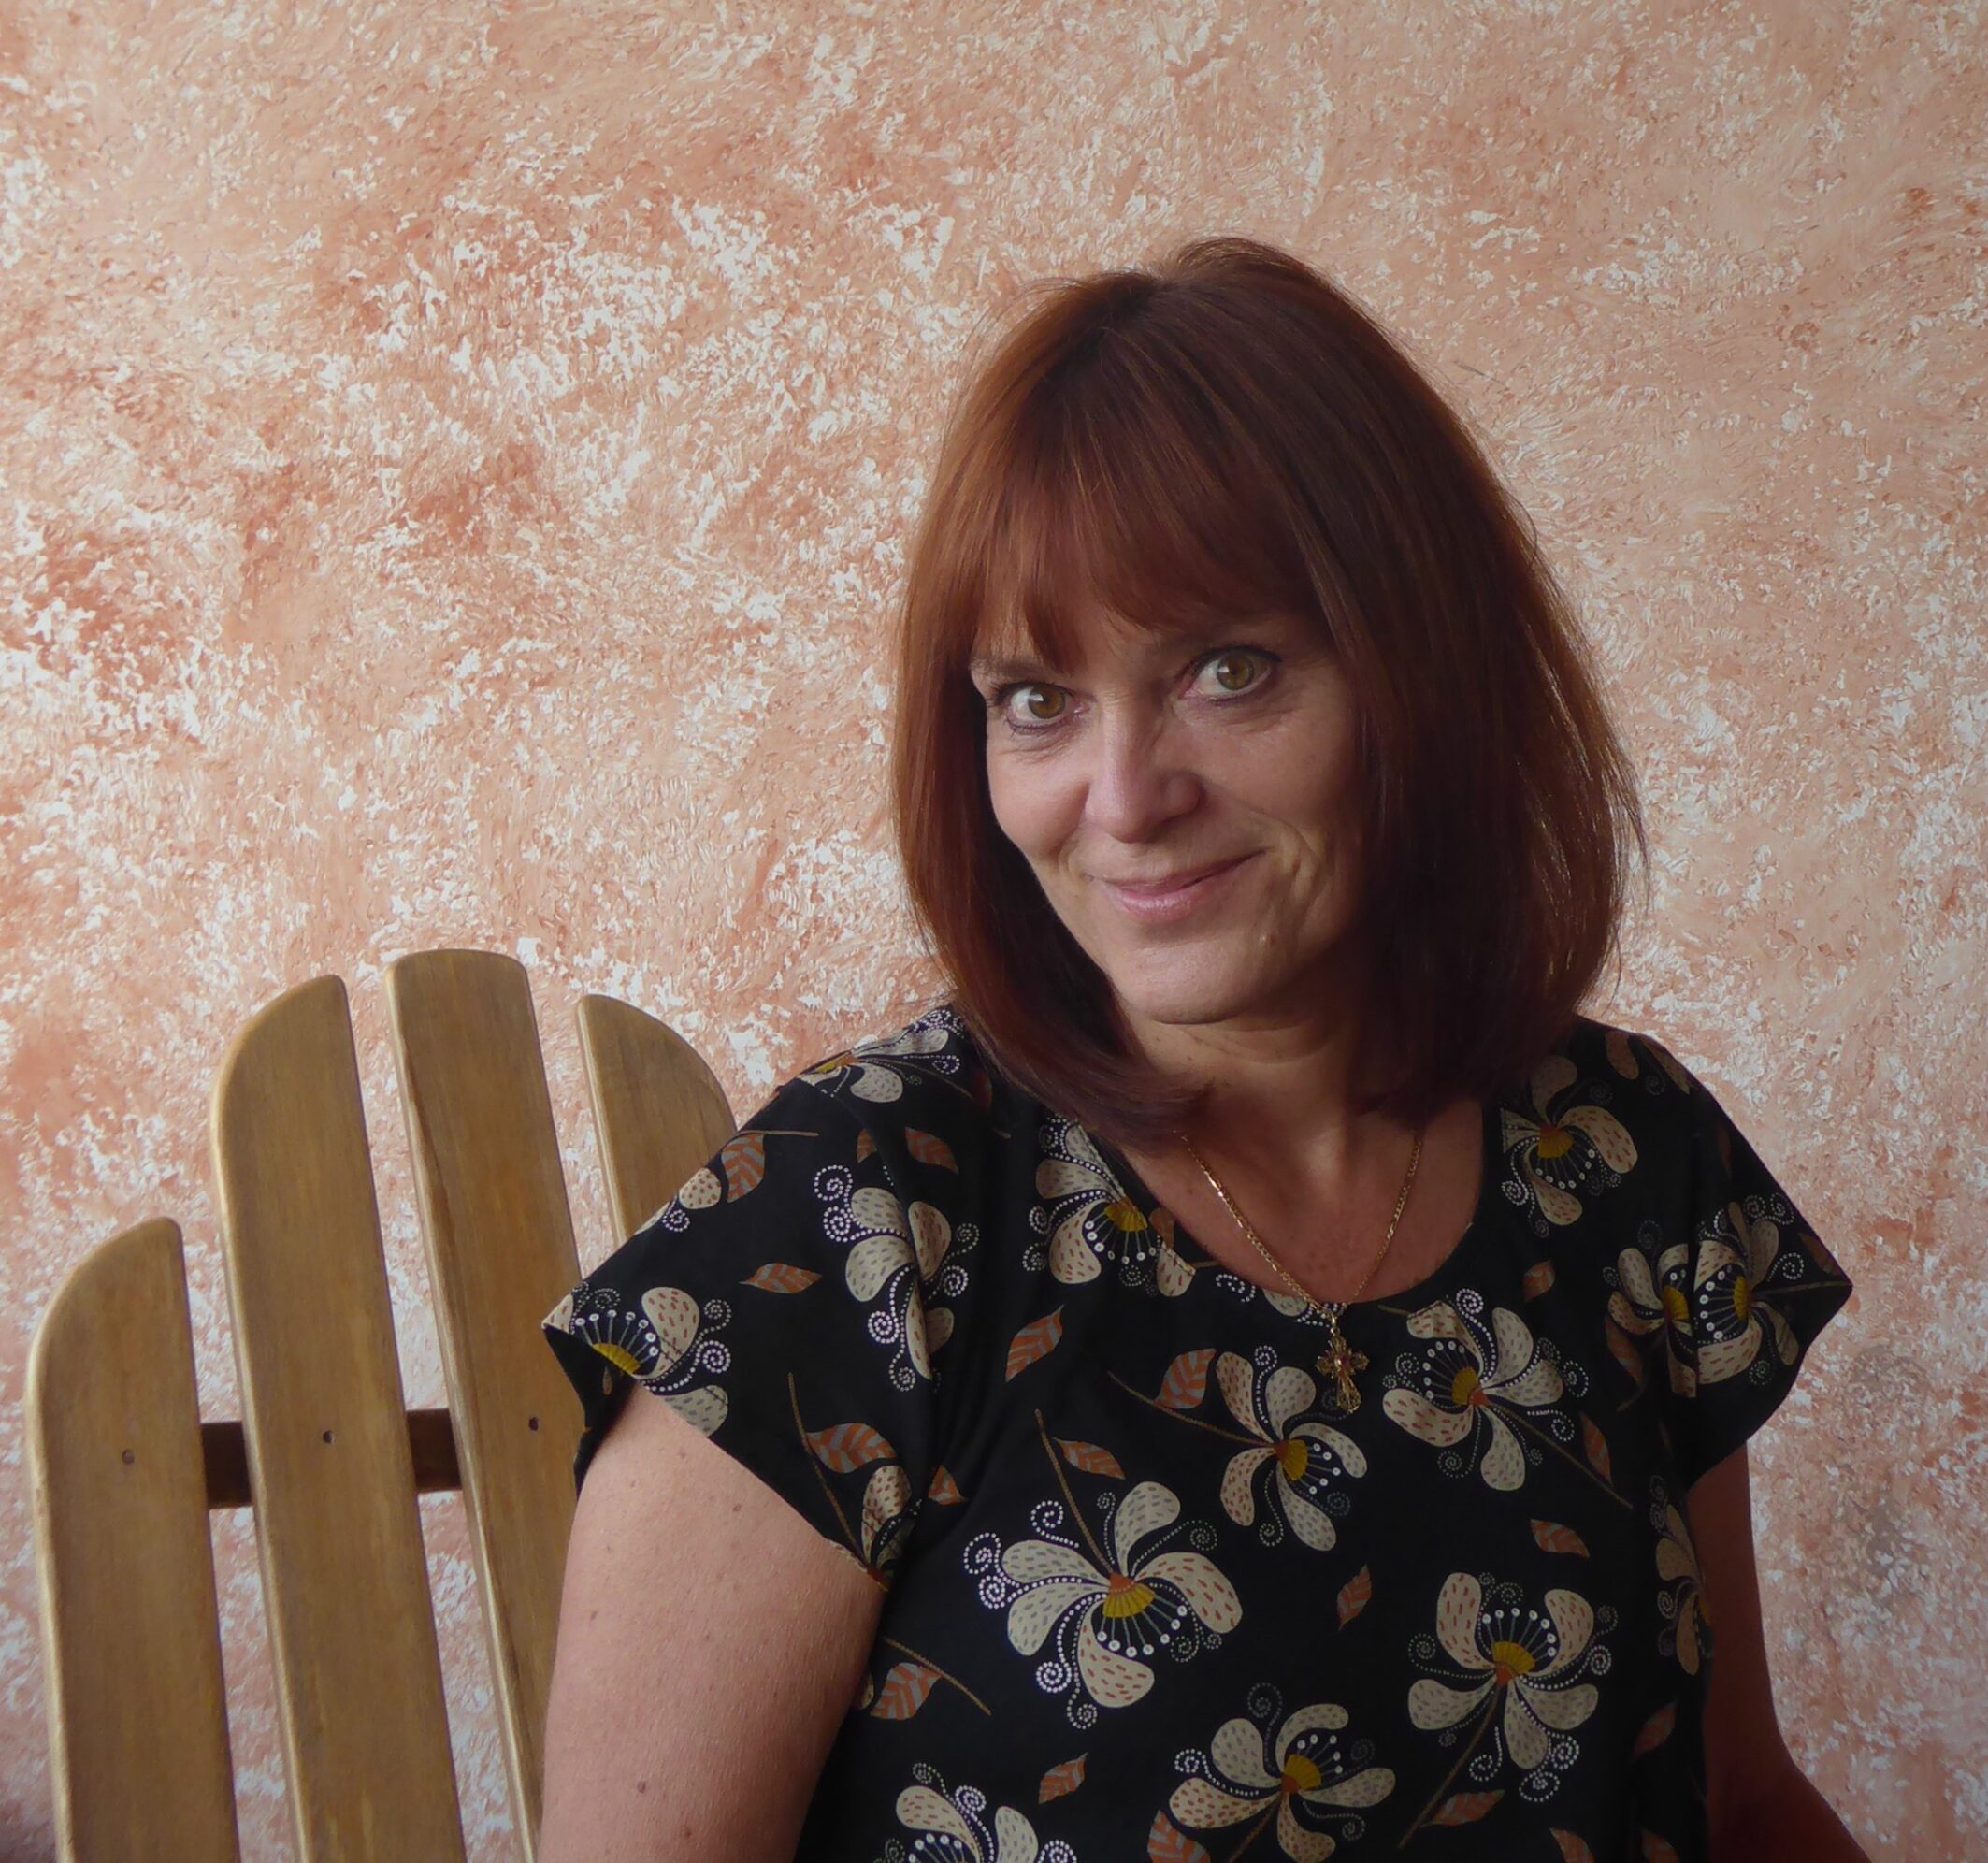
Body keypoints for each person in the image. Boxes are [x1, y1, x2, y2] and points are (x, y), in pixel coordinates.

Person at [534, 235, 1868, 1861]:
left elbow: (1743, 1807)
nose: (1124, 797)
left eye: (1228, 673)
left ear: (1424, 672)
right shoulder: (852, 1225)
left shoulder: (1628, 1160)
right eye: (1037, 700)